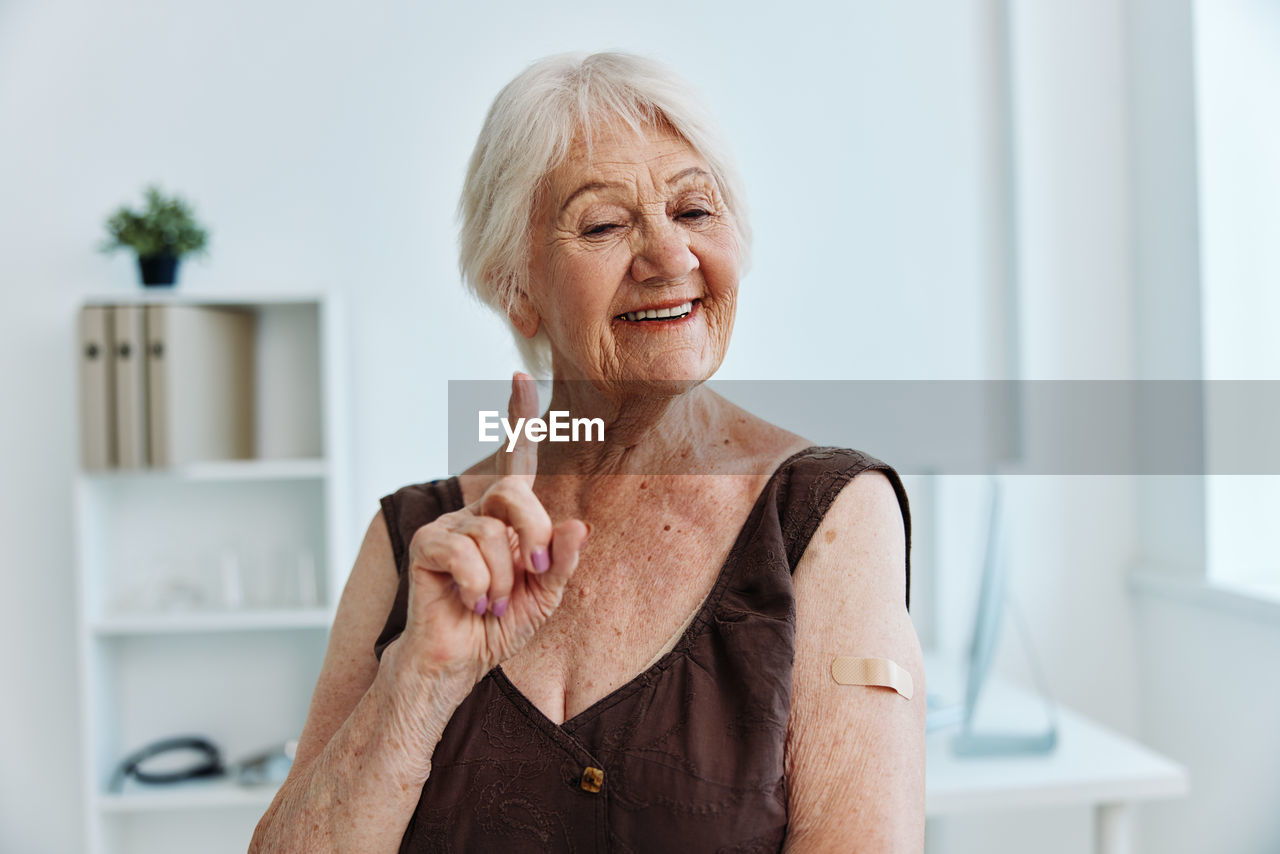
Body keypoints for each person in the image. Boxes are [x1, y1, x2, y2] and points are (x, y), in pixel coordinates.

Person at [251, 51, 924, 853]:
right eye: (604, 224)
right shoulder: (417, 541)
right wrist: (417, 682)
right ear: (516, 288)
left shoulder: (826, 517)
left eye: (695, 211)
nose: (670, 257)